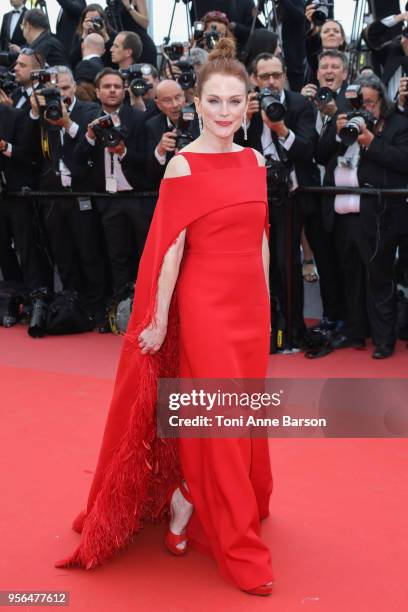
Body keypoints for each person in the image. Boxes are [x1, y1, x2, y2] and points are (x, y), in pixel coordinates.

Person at [56, 38, 274, 596]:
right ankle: (237, 544)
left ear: (248, 103)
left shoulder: (254, 161)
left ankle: (185, 498)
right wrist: (155, 319)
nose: (225, 112)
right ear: (196, 105)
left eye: (235, 101)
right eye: (215, 102)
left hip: (251, 309)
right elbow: (171, 247)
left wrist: (270, 305)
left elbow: (263, 240)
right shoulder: (182, 165)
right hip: (205, 306)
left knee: (236, 416)